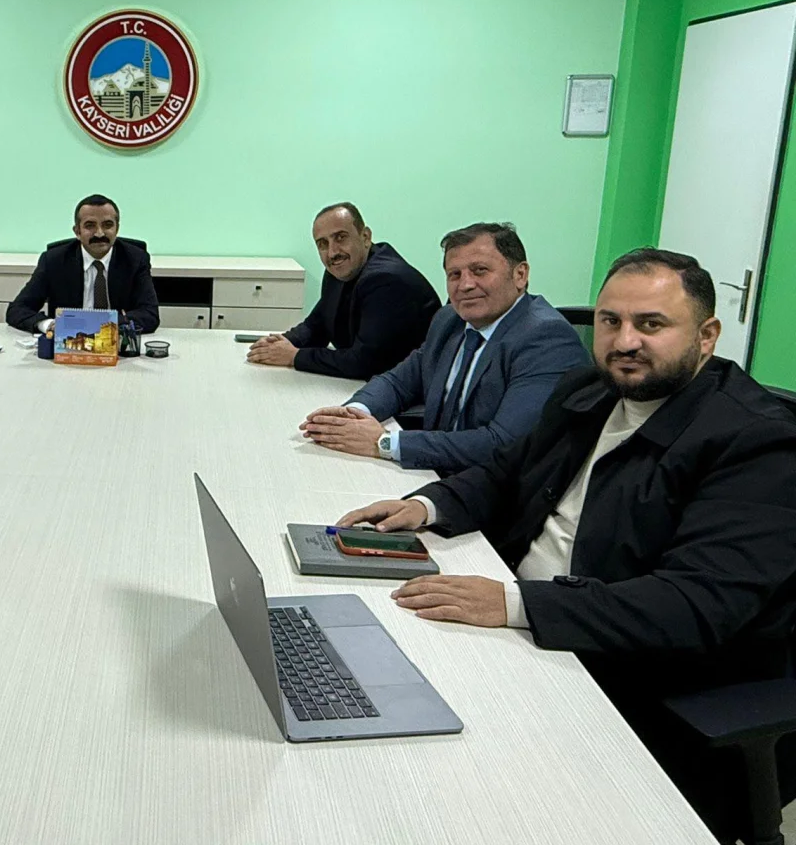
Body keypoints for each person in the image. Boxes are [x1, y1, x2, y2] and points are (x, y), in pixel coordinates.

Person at [334, 248, 796, 842]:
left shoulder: (756, 442)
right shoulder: (592, 388)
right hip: (528, 625)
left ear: (706, 336)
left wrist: (513, 604)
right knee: (361, 685)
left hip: (629, 675)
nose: (625, 341)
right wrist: (427, 506)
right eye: (610, 321)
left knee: (430, 789)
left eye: (651, 324)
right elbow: (509, 468)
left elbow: (695, 604)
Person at [301, 221, 587, 473]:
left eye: (480, 271)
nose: (465, 285)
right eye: (454, 275)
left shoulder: (546, 339)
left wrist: (385, 443)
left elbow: (502, 444)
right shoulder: (449, 319)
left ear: (520, 275)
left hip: (497, 493)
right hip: (435, 471)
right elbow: (398, 382)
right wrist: (353, 414)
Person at [246, 201, 439, 378]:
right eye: (323, 244)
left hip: (409, 392)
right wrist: (278, 343)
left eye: (340, 238)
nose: (332, 252)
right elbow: (317, 326)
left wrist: (294, 356)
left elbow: (363, 362)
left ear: (365, 237)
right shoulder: (340, 270)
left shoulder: (387, 280)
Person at [5, 194, 161, 334]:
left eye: (107, 225)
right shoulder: (54, 260)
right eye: (90, 226)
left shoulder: (135, 259)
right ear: (77, 231)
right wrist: (48, 325)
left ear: (117, 229)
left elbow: (149, 315)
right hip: (68, 344)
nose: (99, 233)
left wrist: (100, 325)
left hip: (117, 345)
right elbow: (18, 309)